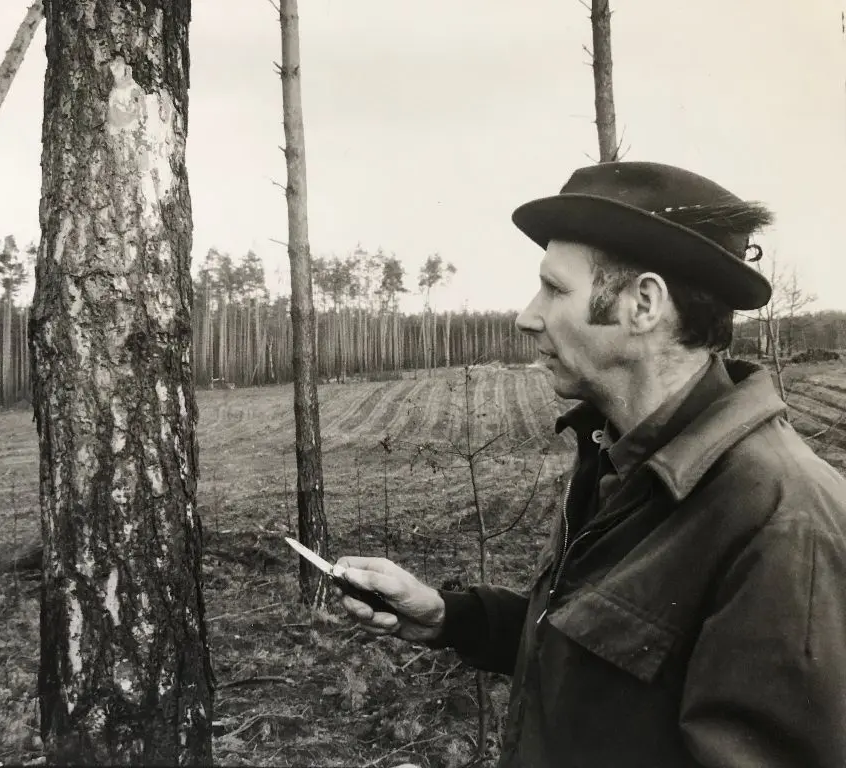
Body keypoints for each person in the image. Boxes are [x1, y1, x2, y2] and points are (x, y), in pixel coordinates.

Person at [335, 161, 846, 768]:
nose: (528, 315)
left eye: (554, 288)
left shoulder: (783, 520)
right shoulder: (617, 455)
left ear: (643, 304)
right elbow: (596, 647)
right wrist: (451, 617)